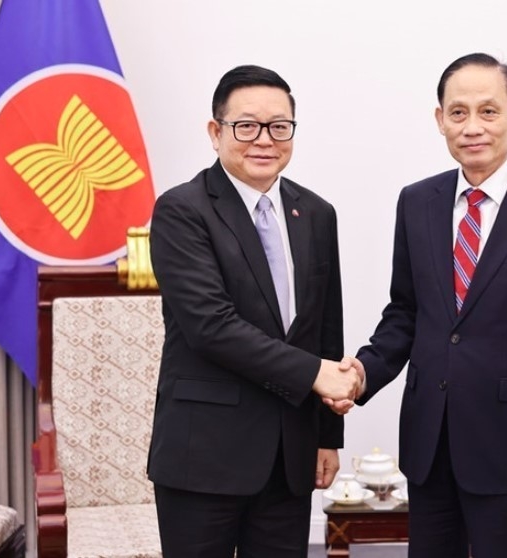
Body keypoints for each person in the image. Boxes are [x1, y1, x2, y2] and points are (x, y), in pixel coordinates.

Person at [336, 53, 507, 557]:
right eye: (458, 113)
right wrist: (362, 374)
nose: (472, 126)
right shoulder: (417, 201)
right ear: (440, 120)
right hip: (429, 438)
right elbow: (406, 313)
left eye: (489, 111)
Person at [146, 64, 360, 558]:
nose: (264, 139)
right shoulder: (182, 210)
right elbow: (210, 327)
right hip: (204, 457)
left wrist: (328, 437)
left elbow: (326, 328)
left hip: (290, 458)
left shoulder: (316, 213)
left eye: (279, 126)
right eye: (246, 125)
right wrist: (316, 375)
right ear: (215, 132)